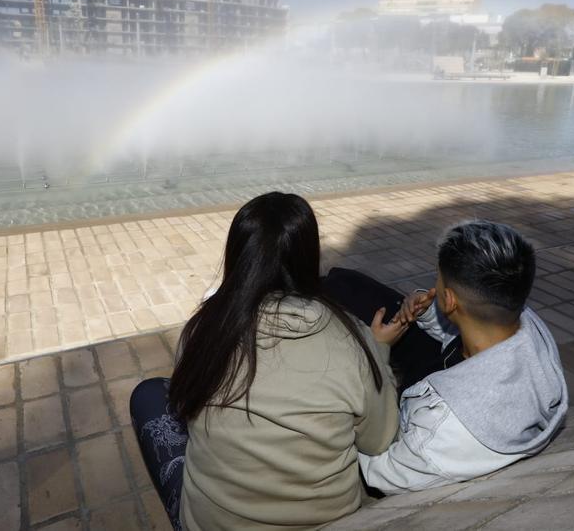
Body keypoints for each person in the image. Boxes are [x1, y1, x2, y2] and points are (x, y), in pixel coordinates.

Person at [129, 192, 398, 530]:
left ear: (238, 256)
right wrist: (379, 349)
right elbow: (380, 439)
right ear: (308, 257)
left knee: (149, 394)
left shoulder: (202, 329)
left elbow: (185, 405)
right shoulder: (352, 339)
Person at [328, 220, 569, 493]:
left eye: (437, 280)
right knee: (344, 284)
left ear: (450, 300)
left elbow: (382, 473)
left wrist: (374, 355)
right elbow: (459, 331)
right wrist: (428, 310)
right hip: (452, 375)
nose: (434, 284)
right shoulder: (514, 313)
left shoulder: (442, 431)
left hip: (413, 421)